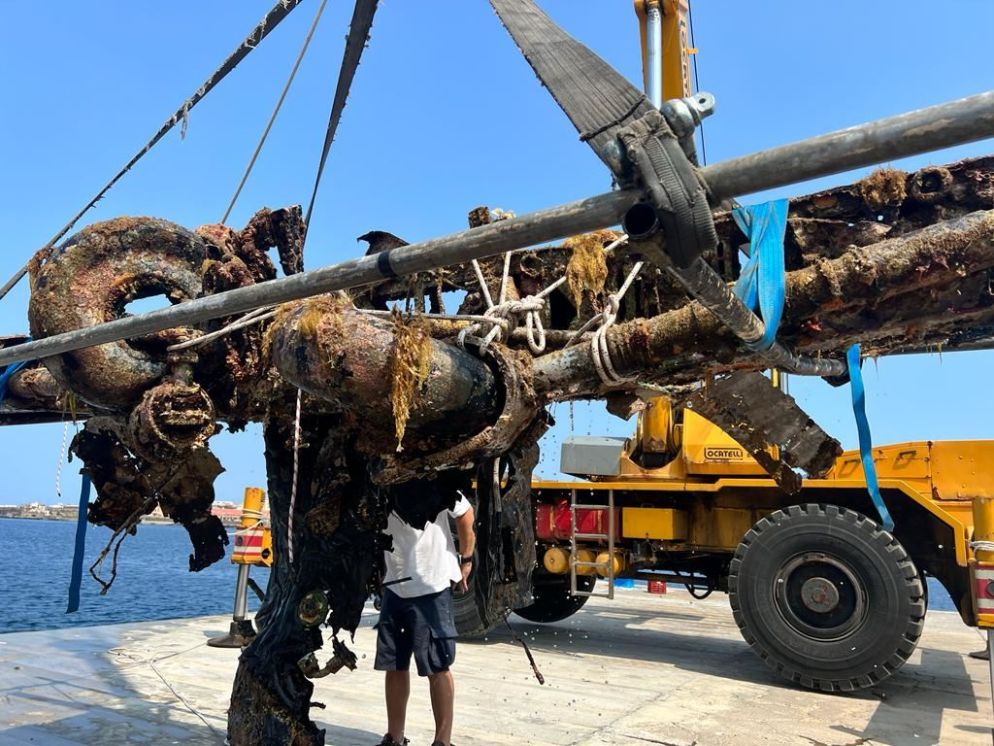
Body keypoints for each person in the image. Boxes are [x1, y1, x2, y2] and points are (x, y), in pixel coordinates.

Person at [375, 490, 476, 746]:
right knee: (394, 665)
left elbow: (465, 513)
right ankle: (394, 738)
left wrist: (466, 559)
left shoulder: (434, 479)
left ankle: (442, 741)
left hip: (431, 585)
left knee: (438, 666)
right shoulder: (377, 481)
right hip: (394, 585)